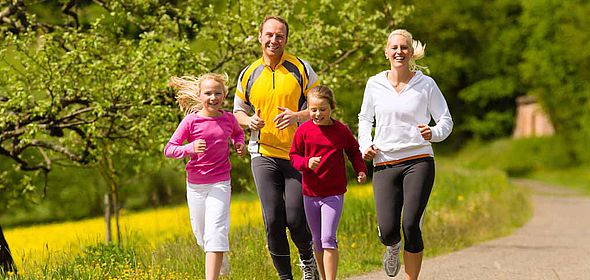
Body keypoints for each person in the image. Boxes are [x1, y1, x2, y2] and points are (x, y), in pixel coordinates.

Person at [357, 29, 453, 279]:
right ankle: (392, 246)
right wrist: (364, 145)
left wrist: (434, 133)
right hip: (385, 161)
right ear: (386, 52)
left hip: (419, 161)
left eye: (404, 47)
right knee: (389, 229)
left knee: (411, 225)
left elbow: (445, 119)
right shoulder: (374, 84)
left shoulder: (426, 84)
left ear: (411, 52)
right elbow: (365, 119)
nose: (399, 52)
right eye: (394, 48)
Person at [233, 15, 320, 280]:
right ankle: (285, 277)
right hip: (263, 154)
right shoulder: (249, 73)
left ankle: (307, 260)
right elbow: (238, 110)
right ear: (260, 37)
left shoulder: (301, 68)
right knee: (272, 220)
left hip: (296, 155)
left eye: (279, 36)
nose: (274, 40)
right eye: (269, 34)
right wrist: (249, 121)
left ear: (286, 39)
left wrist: (297, 116)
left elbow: (320, 107)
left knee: (294, 219)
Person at [164, 73, 246, 280]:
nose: (213, 97)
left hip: (220, 182)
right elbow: (169, 149)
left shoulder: (228, 118)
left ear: (224, 95)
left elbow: (238, 133)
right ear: (199, 96)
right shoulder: (191, 121)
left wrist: (239, 143)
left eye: (217, 93)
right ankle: (220, 259)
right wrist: (189, 148)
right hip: (196, 186)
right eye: (208, 93)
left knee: (216, 230)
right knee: (201, 235)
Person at [289, 85, 367, 280]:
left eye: (322, 109)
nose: (317, 113)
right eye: (313, 109)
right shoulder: (303, 130)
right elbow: (294, 157)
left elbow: (354, 151)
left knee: (328, 238)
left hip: (333, 193)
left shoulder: (341, 130)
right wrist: (306, 162)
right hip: (310, 193)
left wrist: (360, 170)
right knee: (317, 241)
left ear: (332, 107)